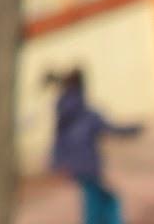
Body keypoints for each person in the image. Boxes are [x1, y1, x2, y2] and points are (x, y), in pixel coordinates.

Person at [48, 69, 142, 224]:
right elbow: (111, 128)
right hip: (89, 166)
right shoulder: (86, 113)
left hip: (77, 166)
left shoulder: (63, 112)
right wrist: (132, 130)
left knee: (103, 198)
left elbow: (58, 140)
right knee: (97, 204)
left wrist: (56, 162)